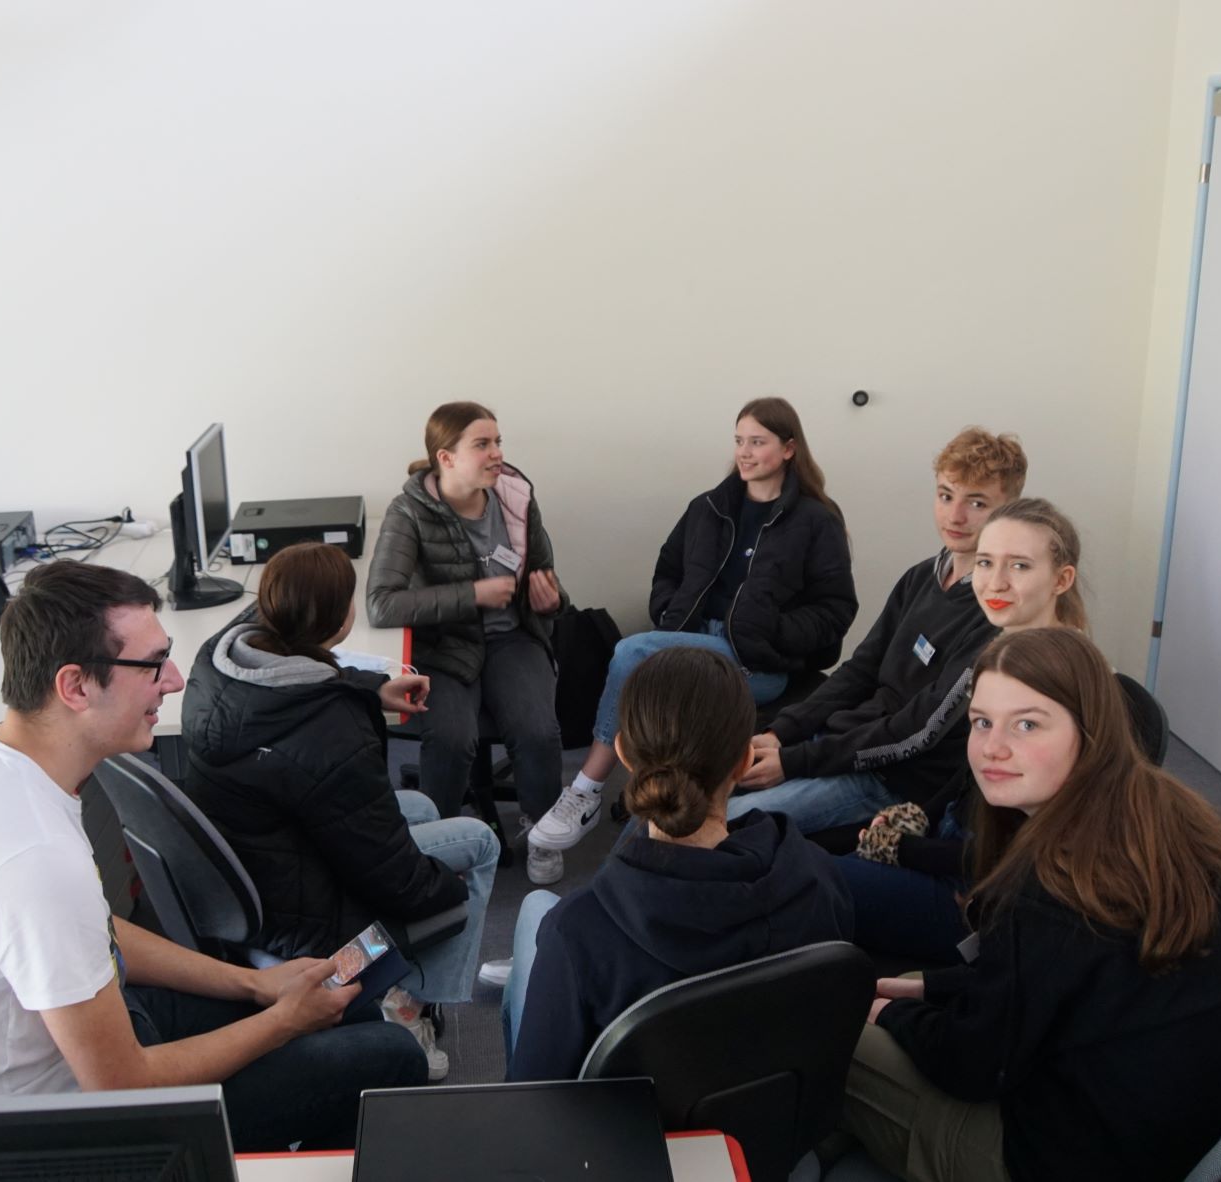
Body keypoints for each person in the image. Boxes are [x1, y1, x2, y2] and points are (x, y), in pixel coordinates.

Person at [0, 561, 425, 1151]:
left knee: (343, 1005)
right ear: (75, 687)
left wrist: (254, 985)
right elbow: (121, 1087)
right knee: (389, 1055)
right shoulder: (34, 861)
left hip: (62, 1040)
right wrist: (281, 1022)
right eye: (153, 664)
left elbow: (92, 930)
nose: (175, 680)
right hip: (64, 1128)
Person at [843, 628, 1221, 1182]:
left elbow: (971, 1067)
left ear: (1090, 731)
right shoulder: (1162, 813)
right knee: (908, 986)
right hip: (1158, 1124)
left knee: (831, 1025)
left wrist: (893, 1015)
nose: (992, 748)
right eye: (981, 722)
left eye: (1027, 724)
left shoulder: (1052, 889)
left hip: (1060, 1159)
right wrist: (932, 989)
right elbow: (1063, 979)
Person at [182, 542, 501, 1081]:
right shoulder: (333, 733)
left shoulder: (222, 658)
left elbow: (304, 683)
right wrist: (449, 894)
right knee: (479, 845)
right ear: (338, 619)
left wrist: (372, 690)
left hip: (258, 875)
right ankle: (409, 1007)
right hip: (314, 930)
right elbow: (392, 876)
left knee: (421, 806)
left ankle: (402, 987)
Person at [525, 397, 857, 880]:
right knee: (646, 671)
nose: (744, 452)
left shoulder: (816, 520)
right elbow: (668, 570)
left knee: (632, 653)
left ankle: (586, 789)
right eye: (739, 441)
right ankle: (635, 831)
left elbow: (835, 610)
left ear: (789, 449)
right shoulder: (709, 508)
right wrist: (668, 612)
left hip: (757, 662)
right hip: (692, 640)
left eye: (758, 442)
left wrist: (773, 634)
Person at [503, 647, 854, 1082]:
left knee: (536, 910)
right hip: (775, 1118)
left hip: (633, 1128)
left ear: (623, 754)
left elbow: (537, 1094)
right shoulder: (819, 880)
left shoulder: (577, 933)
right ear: (745, 761)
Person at [728, 427, 1026, 835]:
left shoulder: (995, 617)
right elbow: (860, 670)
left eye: (976, 503)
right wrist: (783, 732)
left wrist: (795, 761)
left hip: (894, 780)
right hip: (844, 742)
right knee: (690, 792)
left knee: (725, 823)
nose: (955, 516)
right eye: (945, 496)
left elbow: (919, 732)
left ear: (1008, 510)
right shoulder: (920, 577)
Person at [838, 498, 1084, 964]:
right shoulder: (999, 654)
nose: (996, 582)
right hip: (953, 841)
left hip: (984, 894)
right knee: (797, 859)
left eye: (1019, 566)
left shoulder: (1068, 685)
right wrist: (911, 818)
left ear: (1061, 580)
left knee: (805, 882)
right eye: (986, 563)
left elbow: (1021, 854)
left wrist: (903, 850)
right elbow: (968, 775)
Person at [366, 402, 568, 884]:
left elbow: (544, 575)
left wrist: (551, 600)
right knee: (452, 738)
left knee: (538, 732)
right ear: (446, 457)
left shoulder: (516, 497)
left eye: (498, 441)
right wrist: (472, 595)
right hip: (444, 645)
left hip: (512, 638)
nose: (497, 453)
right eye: (482, 444)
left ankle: (542, 834)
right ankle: (437, 846)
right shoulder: (409, 511)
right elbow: (381, 604)